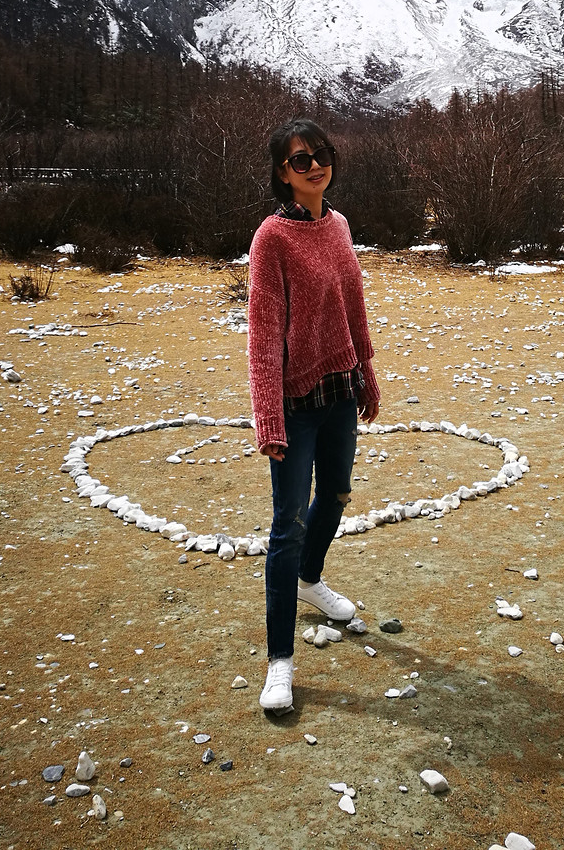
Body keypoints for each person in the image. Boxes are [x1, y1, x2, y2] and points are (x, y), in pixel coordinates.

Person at [247, 118, 381, 715]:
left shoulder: (340, 227)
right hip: (297, 406)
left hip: (338, 393)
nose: (315, 166)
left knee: (337, 496)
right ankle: (280, 663)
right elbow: (264, 335)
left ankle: (311, 580)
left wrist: (367, 373)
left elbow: (353, 305)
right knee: (287, 524)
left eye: (322, 155)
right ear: (282, 173)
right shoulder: (270, 240)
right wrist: (269, 418)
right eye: (301, 160)